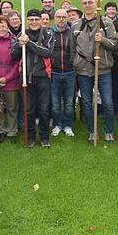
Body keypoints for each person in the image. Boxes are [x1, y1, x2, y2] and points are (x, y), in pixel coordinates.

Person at [71, 0, 118, 143]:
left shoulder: (106, 23)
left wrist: (102, 40)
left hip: (103, 69)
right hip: (83, 70)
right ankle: (92, 131)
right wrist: (76, 62)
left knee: (108, 102)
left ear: (96, 3)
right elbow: (73, 48)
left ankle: (109, 131)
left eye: (90, 2)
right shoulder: (76, 25)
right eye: (84, 3)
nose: (87, 5)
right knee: (86, 103)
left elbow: (114, 45)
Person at [18, 9, 53, 148]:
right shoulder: (22, 34)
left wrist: (29, 44)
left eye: (36, 19)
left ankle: (44, 138)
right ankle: (31, 137)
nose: (33, 22)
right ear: (27, 21)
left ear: (41, 20)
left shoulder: (48, 33)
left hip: (43, 76)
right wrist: (19, 45)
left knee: (44, 110)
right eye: (30, 19)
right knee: (28, 110)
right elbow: (14, 54)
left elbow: (47, 52)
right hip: (26, 77)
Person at [0, 16, 22, 143]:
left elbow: (17, 63)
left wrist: (7, 78)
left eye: (3, 26)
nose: (1, 28)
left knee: (12, 108)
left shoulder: (15, 43)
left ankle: (12, 131)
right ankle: (0, 130)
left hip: (11, 81)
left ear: (8, 27)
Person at [49, 8, 75, 138]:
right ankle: (58, 124)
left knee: (69, 102)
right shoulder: (49, 33)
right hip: (54, 72)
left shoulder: (72, 33)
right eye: (58, 17)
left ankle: (68, 125)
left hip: (70, 72)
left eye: (63, 17)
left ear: (67, 19)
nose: (61, 19)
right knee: (55, 102)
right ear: (55, 18)